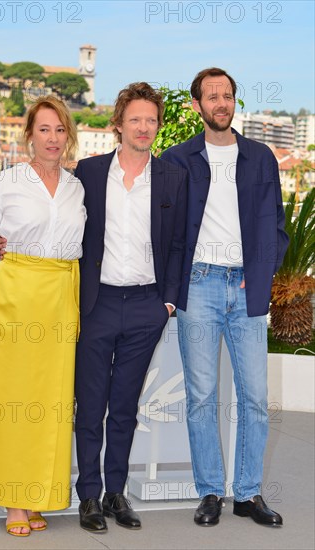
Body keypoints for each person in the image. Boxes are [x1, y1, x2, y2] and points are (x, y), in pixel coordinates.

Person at [161, 68, 289, 527]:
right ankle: (211, 490)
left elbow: (276, 224)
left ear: (235, 102)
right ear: (196, 105)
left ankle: (248, 493)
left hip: (245, 288)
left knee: (255, 396)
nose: (221, 103)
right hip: (198, 285)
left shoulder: (260, 157)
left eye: (227, 95)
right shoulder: (176, 160)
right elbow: (165, 230)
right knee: (201, 396)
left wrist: (261, 272)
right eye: (212, 96)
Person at [0, 96, 87, 537]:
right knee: (12, 400)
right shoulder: (7, 181)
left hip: (60, 296)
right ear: (29, 134)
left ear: (68, 136)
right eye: (44, 129)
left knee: (50, 405)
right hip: (15, 295)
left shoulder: (76, 187)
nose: (52, 138)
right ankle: (12, 500)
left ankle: (37, 495)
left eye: (60, 130)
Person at [74, 82, 187, 532]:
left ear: (157, 127)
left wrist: (168, 301)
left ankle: (115, 493)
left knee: (124, 406)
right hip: (96, 304)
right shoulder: (87, 171)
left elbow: (178, 243)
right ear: (118, 124)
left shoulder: (173, 178)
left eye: (151, 120)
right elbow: (61, 225)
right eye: (135, 119)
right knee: (91, 405)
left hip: (146, 307)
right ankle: (87, 497)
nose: (144, 127)